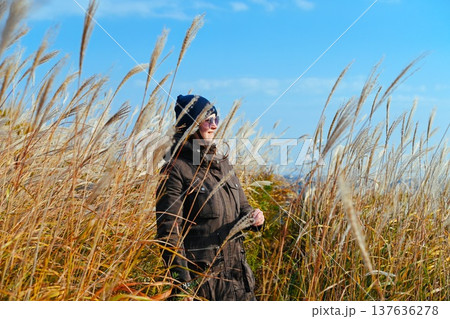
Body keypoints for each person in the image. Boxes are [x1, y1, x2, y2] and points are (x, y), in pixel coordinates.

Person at [156, 94, 265, 301]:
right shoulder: (175, 170)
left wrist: (255, 218)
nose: (214, 125)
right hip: (203, 287)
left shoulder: (223, 164)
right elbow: (168, 232)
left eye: (216, 118)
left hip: (238, 281)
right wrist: (183, 284)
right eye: (208, 119)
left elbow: (243, 208)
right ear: (190, 125)